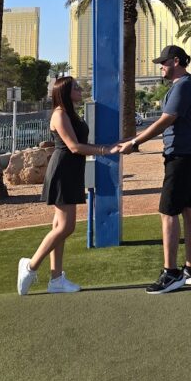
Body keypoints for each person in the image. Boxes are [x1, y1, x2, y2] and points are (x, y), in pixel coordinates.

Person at [115, 44, 191, 295]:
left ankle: (171, 272)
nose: (161, 67)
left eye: (163, 63)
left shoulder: (184, 85)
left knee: (168, 211)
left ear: (176, 61)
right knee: (188, 208)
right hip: (187, 153)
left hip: (182, 155)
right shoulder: (182, 86)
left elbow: (167, 119)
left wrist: (135, 142)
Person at [16, 75, 115, 296]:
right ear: (64, 92)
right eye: (76, 88)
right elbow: (74, 147)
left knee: (59, 228)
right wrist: (105, 150)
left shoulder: (71, 114)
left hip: (72, 171)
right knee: (66, 227)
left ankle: (56, 279)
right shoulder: (59, 115)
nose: (80, 90)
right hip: (62, 172)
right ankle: (30, 266)